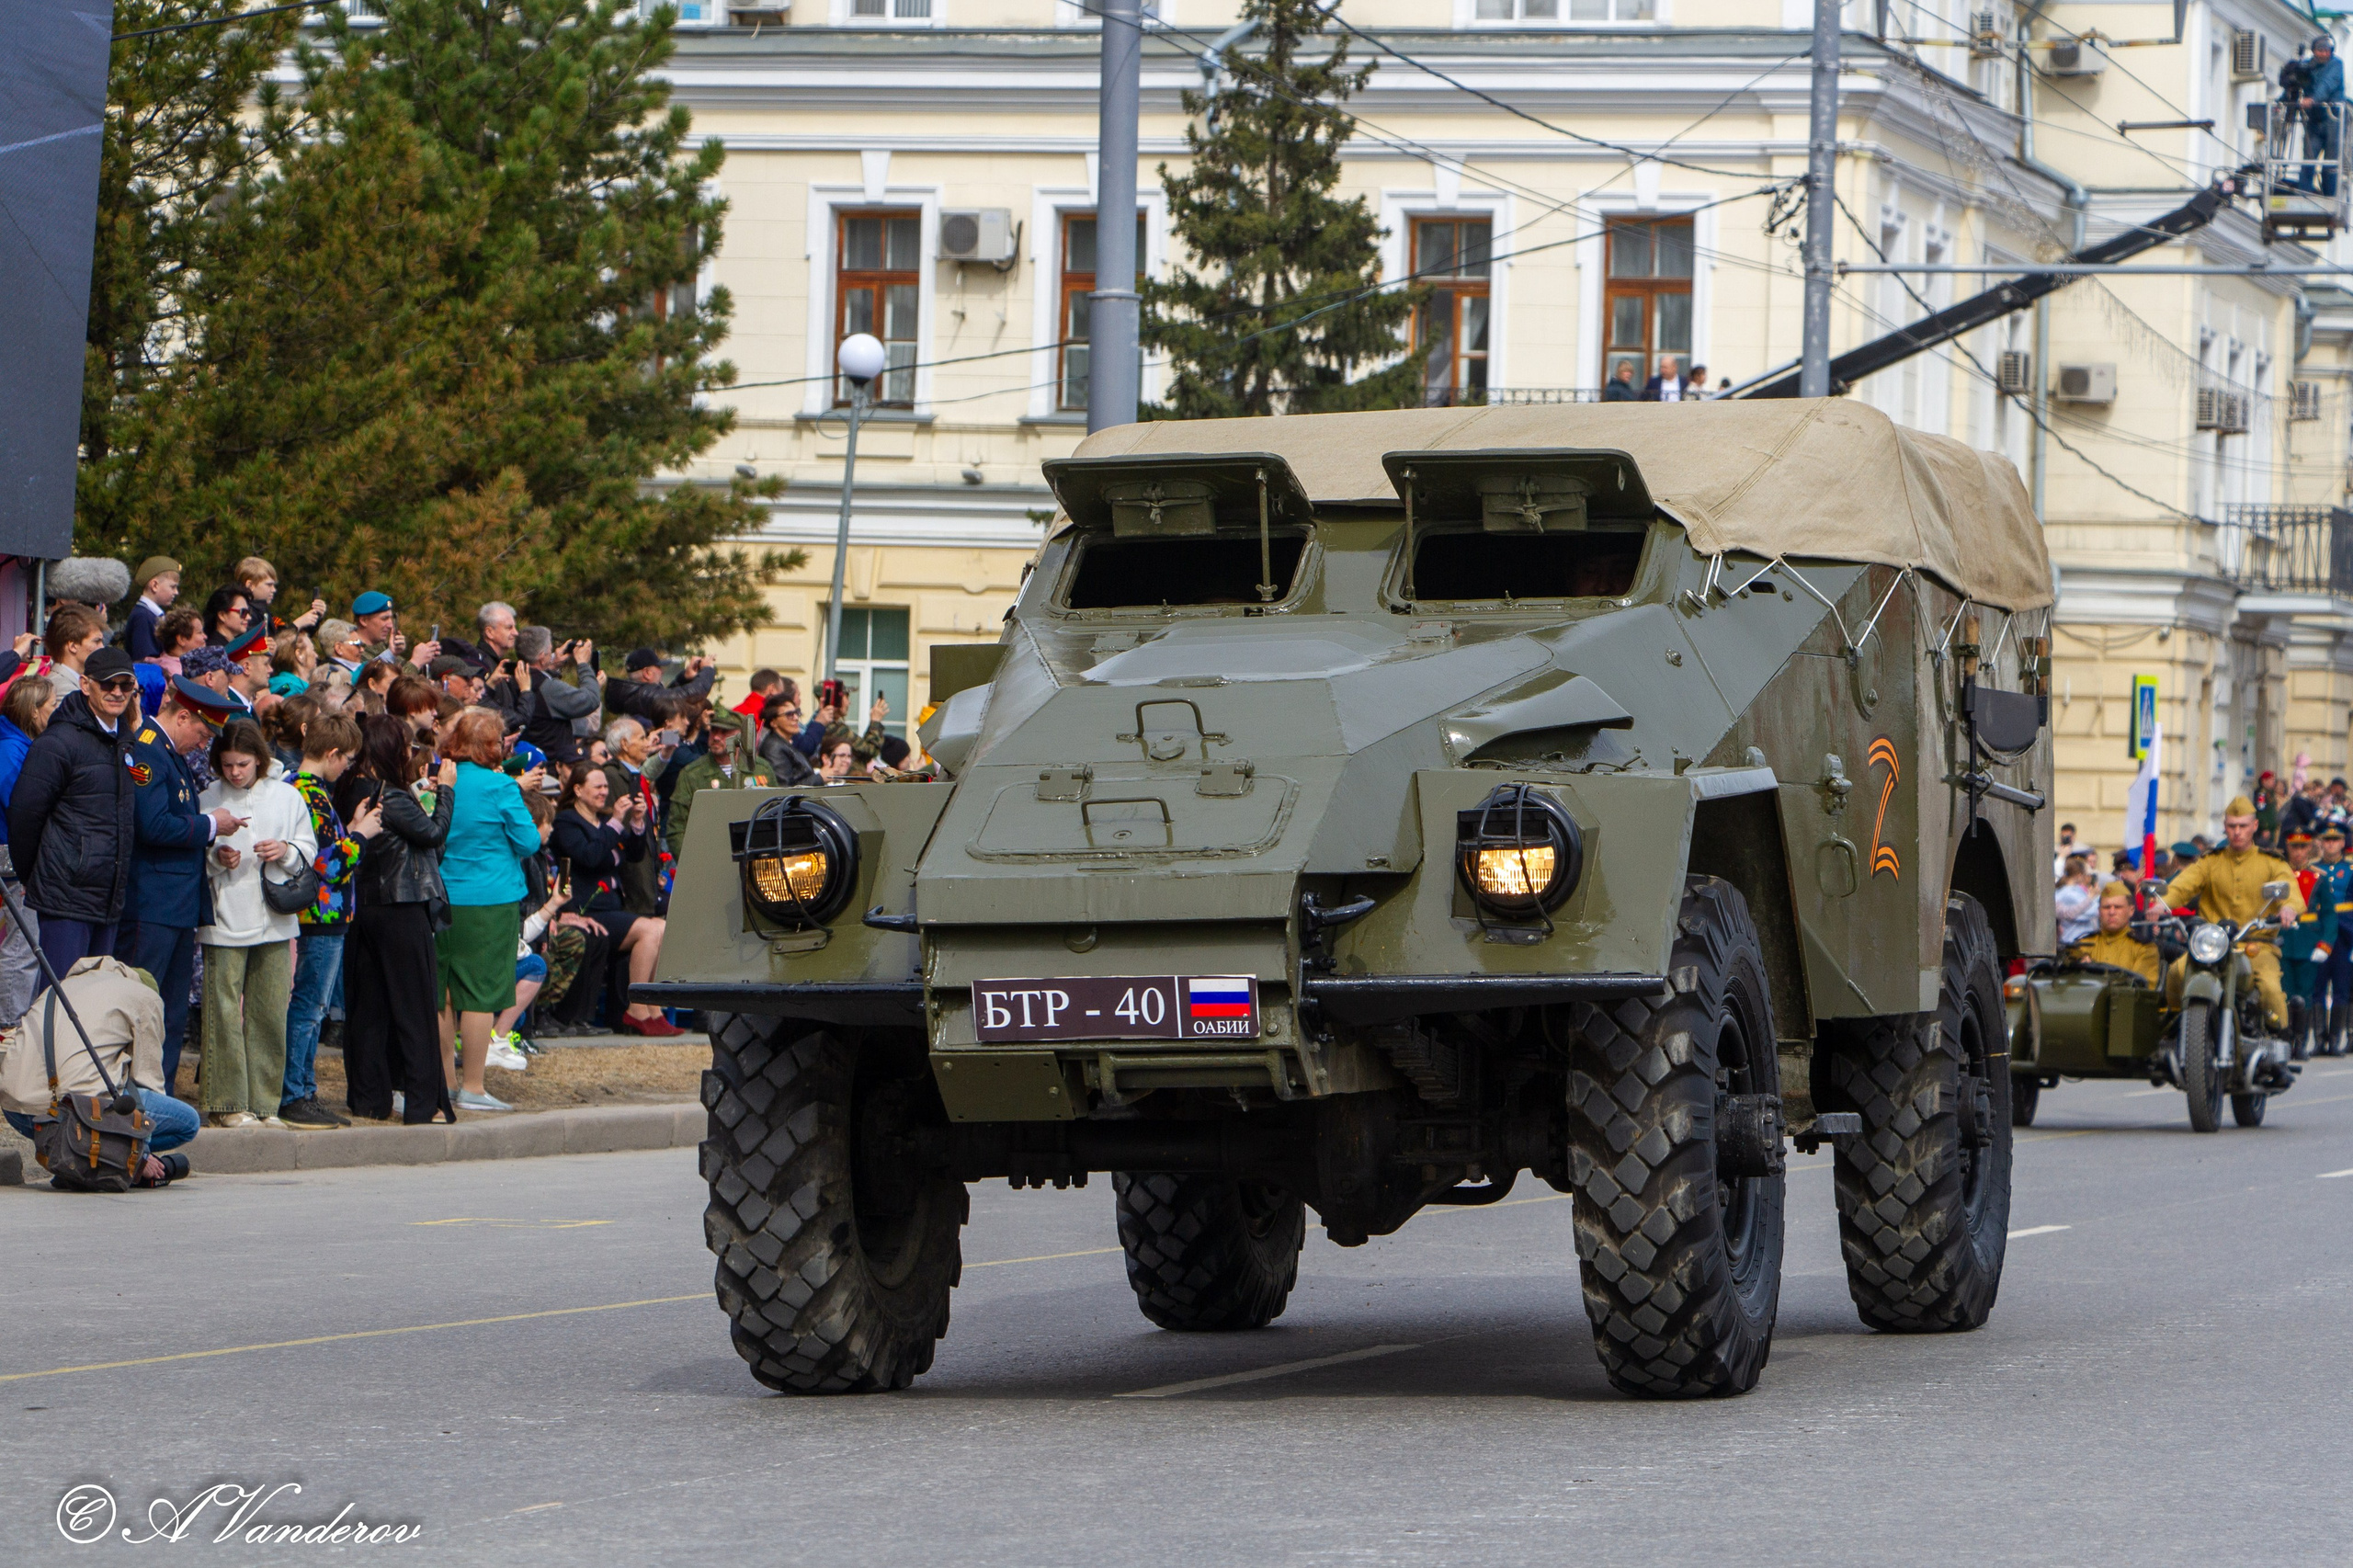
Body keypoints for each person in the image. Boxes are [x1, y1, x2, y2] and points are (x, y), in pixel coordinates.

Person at [123, 677, 248, 1096]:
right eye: (202, 732)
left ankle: (161, 1097)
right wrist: (212, 825)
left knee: (170, 1012)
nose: (203, 744)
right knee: (141, 1004)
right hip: (151, 904)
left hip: (174, 904)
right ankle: (133, 1098)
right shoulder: (146, 750)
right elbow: (152, 824)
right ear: (182, 717)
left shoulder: (167, 753)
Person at [195, 718, 314, 1129]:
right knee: (223, 1015)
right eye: (227, 764)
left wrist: (285, 850)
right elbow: (196, 856)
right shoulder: (208, 798)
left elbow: (308, 849)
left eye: (242, 764)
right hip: (224, 919)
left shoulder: (286, 796)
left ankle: (265, 1104)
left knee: (269, 1013)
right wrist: (217, 858)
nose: (235, 772)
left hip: (276, 920)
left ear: (259, 760)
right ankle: (227, 1103)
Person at [336, 713, 455, 1123]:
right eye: (406, 746)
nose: (410, 753)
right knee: (415, 1008)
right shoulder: (392, 796)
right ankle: (425, 1102)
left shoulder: (355, 789)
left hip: (365, 909)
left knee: (369, 1008)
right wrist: (447, 792)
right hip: (401, 907)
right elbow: (434, 834)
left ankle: (369, 1098)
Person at [0, 953, 198, 1188]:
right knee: (188, 1122)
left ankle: (77, 1160)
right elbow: (148, 1080)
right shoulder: (145, 997)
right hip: (77, 1113)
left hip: (19, 1110)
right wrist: (139, 1151)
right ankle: (120, 1162)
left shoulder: (59, 987)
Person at [434, 707, 544, 1112]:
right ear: (491, 746)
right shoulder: (501, 787)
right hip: (490, 899)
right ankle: (474, 1087)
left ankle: (446, 1084)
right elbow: (529, 841)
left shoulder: (442, 779)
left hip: (442, 895)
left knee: (444, 993)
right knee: (480, 995)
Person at [8, 648, 141, 978]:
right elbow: (24, 817)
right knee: (60, 994)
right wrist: (36, 877)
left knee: (95, 996)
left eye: (125, 685)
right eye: (108, 684)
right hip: (64, 895)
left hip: (108, 895)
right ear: (85, 685)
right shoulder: (58, 742)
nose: (117, 692)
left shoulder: (125, 741)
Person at [282, 711, 378, 1129]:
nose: (347, 768)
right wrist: (360, 835)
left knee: (311, 1005)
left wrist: (349, 828)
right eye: (347, 760)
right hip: (321, 915)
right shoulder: (311, 794)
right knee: (310, 1006)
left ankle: (303, 1089)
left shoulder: (298, 787)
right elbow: (328, 864)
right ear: (333, 753)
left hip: (320, 915)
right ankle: (295, 1093)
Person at [2158, 795, 2302, 1030]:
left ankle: (2280, 1038)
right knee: (2176, 973)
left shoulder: (2272, 863)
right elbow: (2182, 886)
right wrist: (2161, 904)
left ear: (2255, 826)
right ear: (2224, 827)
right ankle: (2176, 1025)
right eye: (2232, 826)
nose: (2237, 832)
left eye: (2243, 826)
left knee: (2270, 990)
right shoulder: (2210, 861)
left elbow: (2290, 891)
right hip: (2211, 946)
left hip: (2256, 946)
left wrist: (2288, 908)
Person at [551, 765, 676, 1035]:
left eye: (605, 786)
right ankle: (636, 1009)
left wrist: (637, 822)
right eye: (597, 786)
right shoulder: (567, 822)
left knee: (662, 927)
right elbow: (590, 856)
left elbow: (632, 854)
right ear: (577, 790)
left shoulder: (604, 820)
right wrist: (617, 822)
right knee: (649, 929)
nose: (604, 792)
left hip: (612, 906)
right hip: (586, 909)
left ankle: (652, 1008)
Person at [0, 675, 59, 1028]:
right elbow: (19, 806)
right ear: (35, 711)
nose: (57, 711)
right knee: (23, 945)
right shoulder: (11, 749)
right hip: (13, 857)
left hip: (17, 853)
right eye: (53, 705)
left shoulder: (19, 744)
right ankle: (9, 1027)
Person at [666, 707, 775, 858]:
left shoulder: (761, 769)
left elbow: (775, 815)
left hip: (755, 857)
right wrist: (693, 862)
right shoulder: (693, 774)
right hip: (709, 857)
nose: (716, 737)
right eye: (714, 731)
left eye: (725, 732)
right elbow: (677, 828)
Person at [600, 717, 670, 916]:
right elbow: (620, 830)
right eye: (641, 738)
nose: (647, 743)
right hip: (630, 879)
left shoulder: (633, 776)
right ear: (624, 744)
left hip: (645, 875)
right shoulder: (612, 776)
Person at [2279, 830, 2338, 1050]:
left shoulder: (2318, 878)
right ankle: (2285, 1039)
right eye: (2294, 847)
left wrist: (2325, 943)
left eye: (2303, 847)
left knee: (2305, 994)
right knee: (2283, 993)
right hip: (2282, 940)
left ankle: (2300, 1041)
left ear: (2310, 848)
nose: (2298, 852)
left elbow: (2329, 914)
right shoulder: (2278, 873)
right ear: (2287, 847)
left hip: (2308, 941)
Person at [517, 629, 604, 765]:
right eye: (549, 650)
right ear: (542, 656)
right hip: (551, 765)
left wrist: (553, 665)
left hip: (528, 759)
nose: (552, 652)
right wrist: (583, 665)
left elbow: (538, 676)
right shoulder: (548, 688)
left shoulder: (518, 676)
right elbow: (590, 700)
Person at [2066, 881, 2160, 984]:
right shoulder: (2082, 945)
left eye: (2118, 907)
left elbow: (2141, 988)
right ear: (2099, 911)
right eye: (2106, 907)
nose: (2111, 912)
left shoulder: (2144, 949)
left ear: (2131, 910)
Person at [603, 646, 716, 729]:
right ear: (647, 673)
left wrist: (684, 678)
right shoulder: (645, 695)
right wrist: (708, 669)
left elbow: (666, 697)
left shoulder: (638, 694)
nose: (662, 672)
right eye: (658, 668)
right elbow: (692, 694)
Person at [2313, 824, 2353, 1047]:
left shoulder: (2350, 869)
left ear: (2342, 843)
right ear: (2320, 842)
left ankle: (2336, 1039)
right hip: (2318, 932)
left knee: (2341, 986)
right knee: (2317, 985)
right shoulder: (2312, 868)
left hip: (2344, 933)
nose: (2330, 844)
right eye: (2326, 840)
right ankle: (2319, 1039)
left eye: (2335, 840)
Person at [2298, 34, 2345, 196]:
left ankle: (2329, 197)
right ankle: (2303, 194)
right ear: (2314, 51)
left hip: (2332, 121)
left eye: (2327, 50)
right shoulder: (2308, 66)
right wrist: (2282, 100)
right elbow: (2297, 84)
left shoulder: (2336, 64)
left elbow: (2327, 84)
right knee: (2309, 159)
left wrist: (2313, 99)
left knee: (2330, 163)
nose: (2324, 54)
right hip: (2314, 121)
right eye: (2321, 50)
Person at [233, 555, 324, 635]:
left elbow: (290, 639)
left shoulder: (262, 611)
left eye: (274, 585)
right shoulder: (244, 614)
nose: (274, 590)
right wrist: (297, 625)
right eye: (269, 585)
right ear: (250, 585)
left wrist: (314, 618)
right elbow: (272, 644)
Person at [122, 557, 182, 661]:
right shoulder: (143, 617)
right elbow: (145, 660)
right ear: (154, 585)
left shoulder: (149, 614)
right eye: (172, 587)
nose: (176, 592)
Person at [758, 695, 820, 786]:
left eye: (797, 712)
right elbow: (785, 787)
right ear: (773, 722)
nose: (796, 718)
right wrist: (821, 777)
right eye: (789, 715)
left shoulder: (784, 742)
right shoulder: (774, 747)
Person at [44, 603, 106, 676]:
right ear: (73, 646)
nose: (102, 647)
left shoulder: (71, 679)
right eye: (96, 641)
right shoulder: (61, 682)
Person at [2053, 853, 2097, 945]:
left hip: (2074, 938)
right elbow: (2092, 912)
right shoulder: (2069, 893)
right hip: (2075, 938)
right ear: (2079, 875)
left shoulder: (2071, 891)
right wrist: (2096, 899)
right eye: (2085, 874)